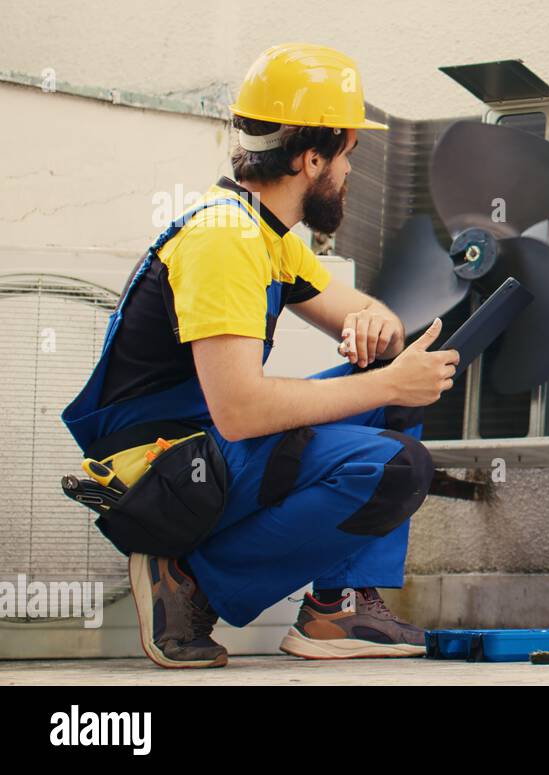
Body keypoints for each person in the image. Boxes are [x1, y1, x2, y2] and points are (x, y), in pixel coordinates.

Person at [62, 43, 458, 668]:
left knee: (390, 377)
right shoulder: (226, 239)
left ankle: (337, 612)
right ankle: (189, 584)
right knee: (394, 464)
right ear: (311, 158)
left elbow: (369, 313)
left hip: (203, 448)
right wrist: (388, 385)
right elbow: (242, 410)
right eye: (347, 156)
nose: (349, 173)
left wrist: (372, 331)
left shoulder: (262, 231)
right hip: (163, 470)